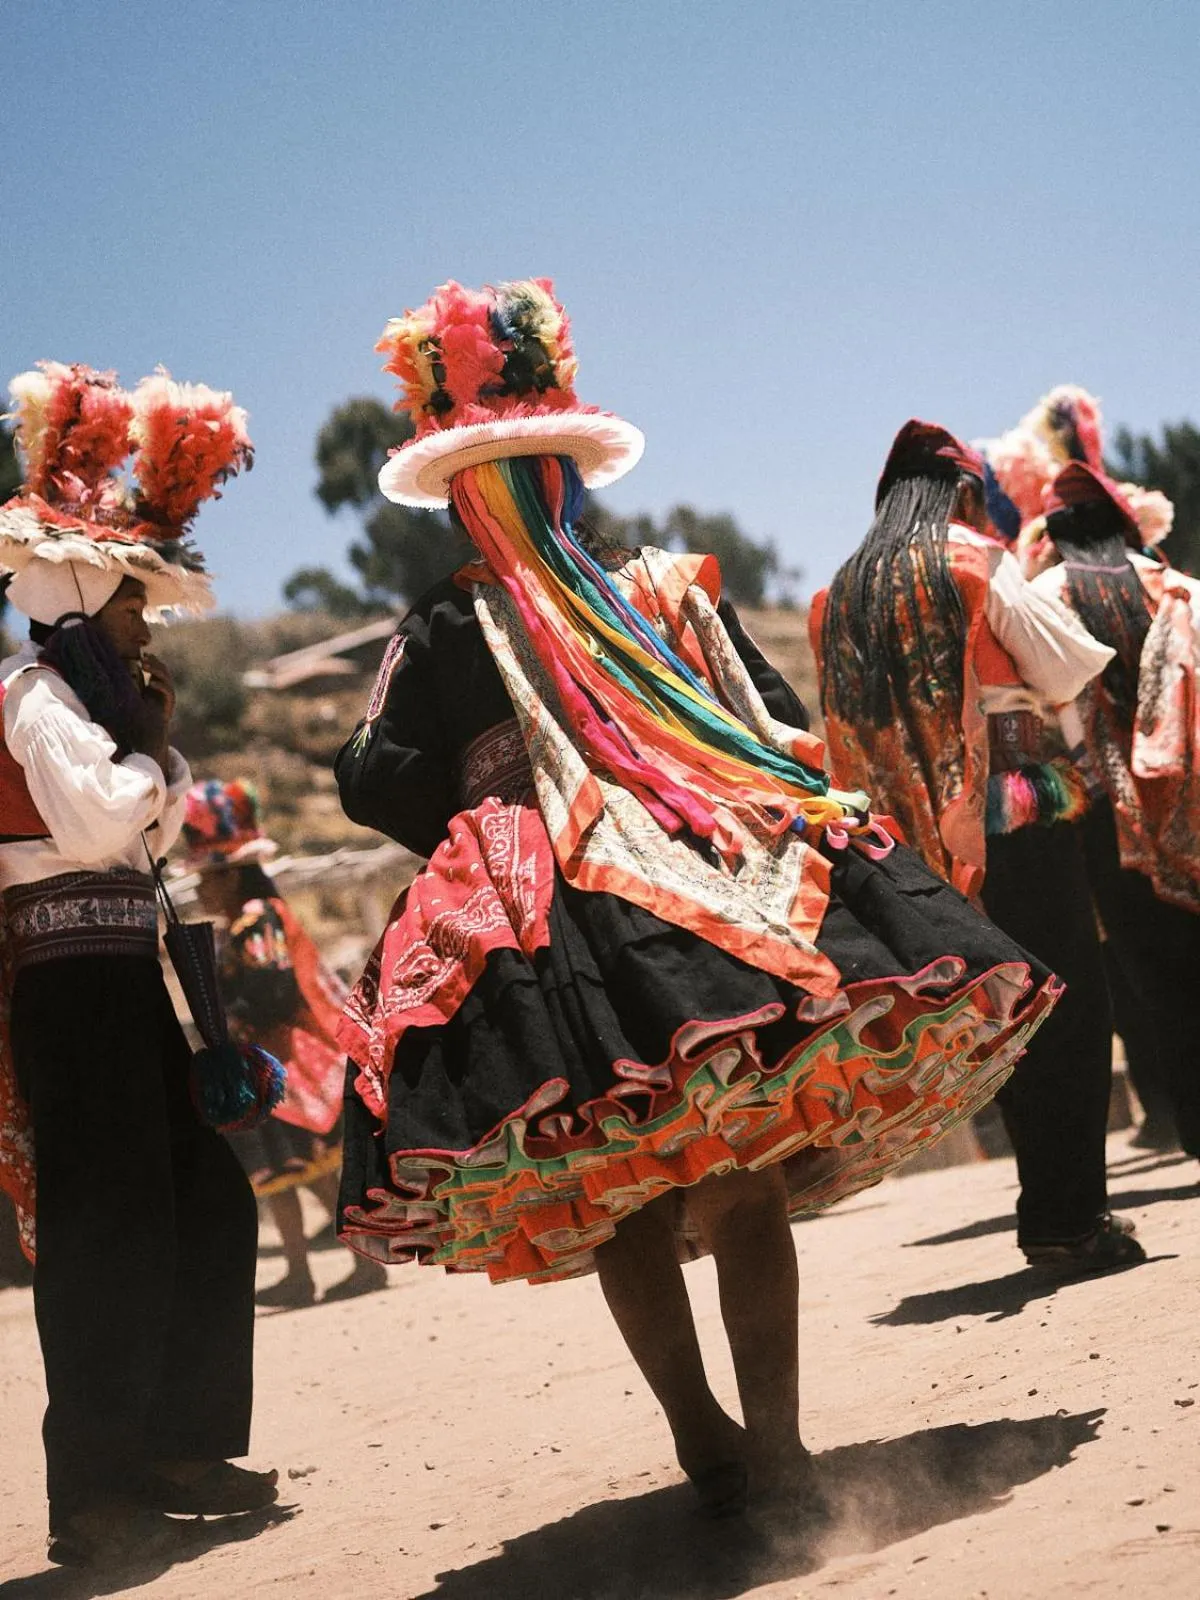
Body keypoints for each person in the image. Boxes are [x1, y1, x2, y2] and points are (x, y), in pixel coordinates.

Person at [333, 280, 1059, 1520]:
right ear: (571, 475)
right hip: (697, 872)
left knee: (621, 1187)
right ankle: (772, 1449)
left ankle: (709, 1442)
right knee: (741, 1172)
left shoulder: (447, 623)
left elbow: (367, 772)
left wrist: (486, 809)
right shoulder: (660, 591)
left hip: (546, 924)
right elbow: (773, 722)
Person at [0, 363, 277, 1568]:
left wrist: (148, 761)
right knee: (110, 1223)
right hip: (69, 994)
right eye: (129, 604)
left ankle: (175, 1444)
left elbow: (135, 828)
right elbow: (107, 822)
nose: (142, 622)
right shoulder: (33, 697)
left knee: (198, 1200)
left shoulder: (83, 703)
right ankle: (96, 1489)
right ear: (79, 592)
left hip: (117, 981)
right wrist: (156, 757)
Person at [812, 419, 1147, 1276]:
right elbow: (1069, 667)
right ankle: (1069, 1220)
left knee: (998, 1014)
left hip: (908, 844)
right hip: (1011, 810)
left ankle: (1051, 1210)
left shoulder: (836, 595)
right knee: (1067, 1001)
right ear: (960, 493)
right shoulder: (973, 561)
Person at [1028, 461, 1200, 1162]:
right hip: (1189, 795)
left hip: (1106, 816)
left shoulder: (1047, 594)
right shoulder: (1179, 588)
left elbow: (1037, 711)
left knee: (1153, 978)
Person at [181, 777, 387, 1307]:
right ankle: (301, 1271)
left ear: (230, 877)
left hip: (285, 1062)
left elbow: (272, 986)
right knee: (281, 1172)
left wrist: (232, 1022)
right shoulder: (248, 921)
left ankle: (360, 1261)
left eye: (208, 878)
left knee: (305, 1166)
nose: (201, 889)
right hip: (266, 1061)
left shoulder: (257, 921)